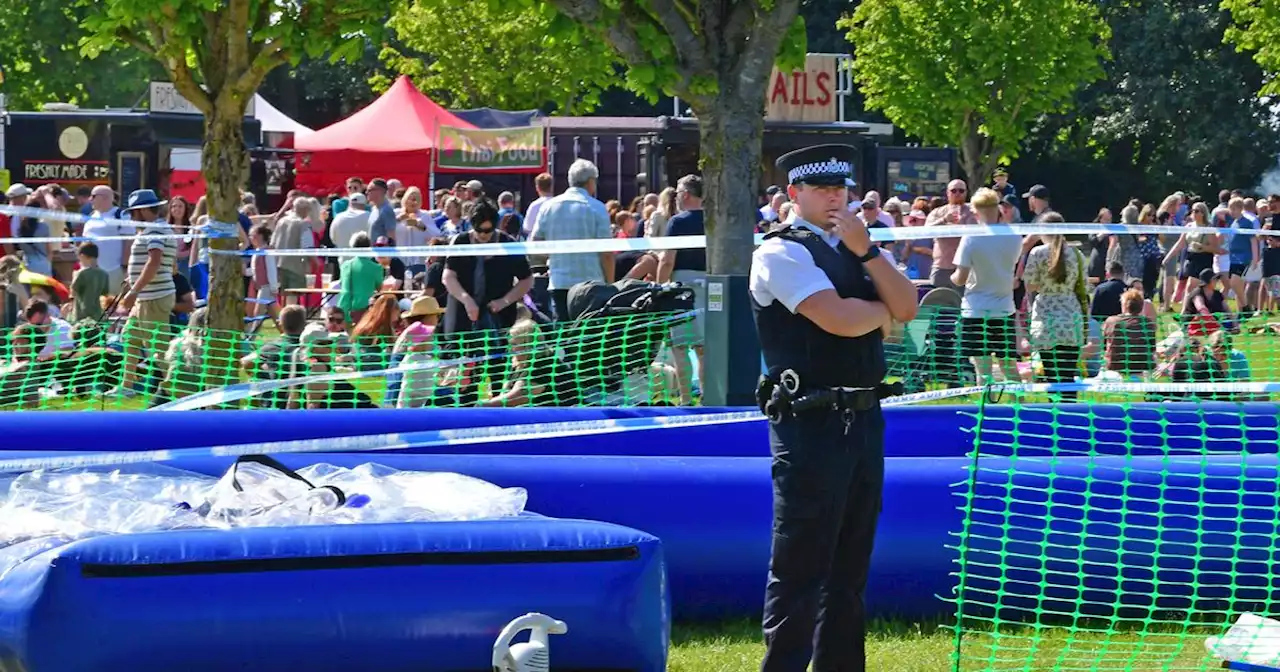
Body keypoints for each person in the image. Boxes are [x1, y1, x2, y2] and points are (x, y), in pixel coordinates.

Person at [748, 144, 918, 672]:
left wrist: (868, 256)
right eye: (822, 189)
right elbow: (838, 319)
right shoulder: (780, 251)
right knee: (800, 568)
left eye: (841, 189)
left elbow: (908, 307)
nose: (835, 199)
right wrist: (879, 311)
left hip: (864, 420)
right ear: (793, 194)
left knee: (849, 572)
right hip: (810, 422)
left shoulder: (859, 245)